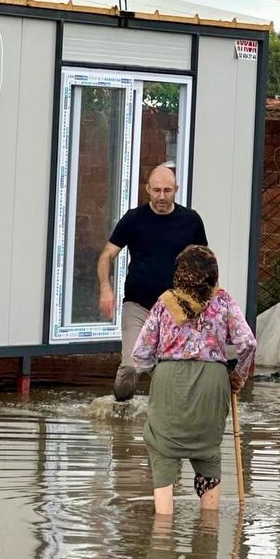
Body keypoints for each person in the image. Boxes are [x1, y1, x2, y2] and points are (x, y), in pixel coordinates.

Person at [132, 245, 256, 514]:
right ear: (213, 275)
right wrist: (238, 376)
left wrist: (160, 374)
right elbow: (248, 344)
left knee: (162, 449)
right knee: (208, 452)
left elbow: (140, 355)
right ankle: (208, 536)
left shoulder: (164, 304)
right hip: (213, 381)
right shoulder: (223, 302)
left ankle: (162, 533)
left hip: (168, 380)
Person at [97, 163, 207, 402]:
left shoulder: (190, 221)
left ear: (176, 189)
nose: (162, 197)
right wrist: (106, 289)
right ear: (147, 188)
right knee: (131, 366)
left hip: (174, 308)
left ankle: (168, 414)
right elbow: (107, 254)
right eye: (156, 190)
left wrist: (203, 303)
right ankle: (120, 406)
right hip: (137, 304)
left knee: (169, 371)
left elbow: (204, 264)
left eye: (167, 191)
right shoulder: (134, 219)